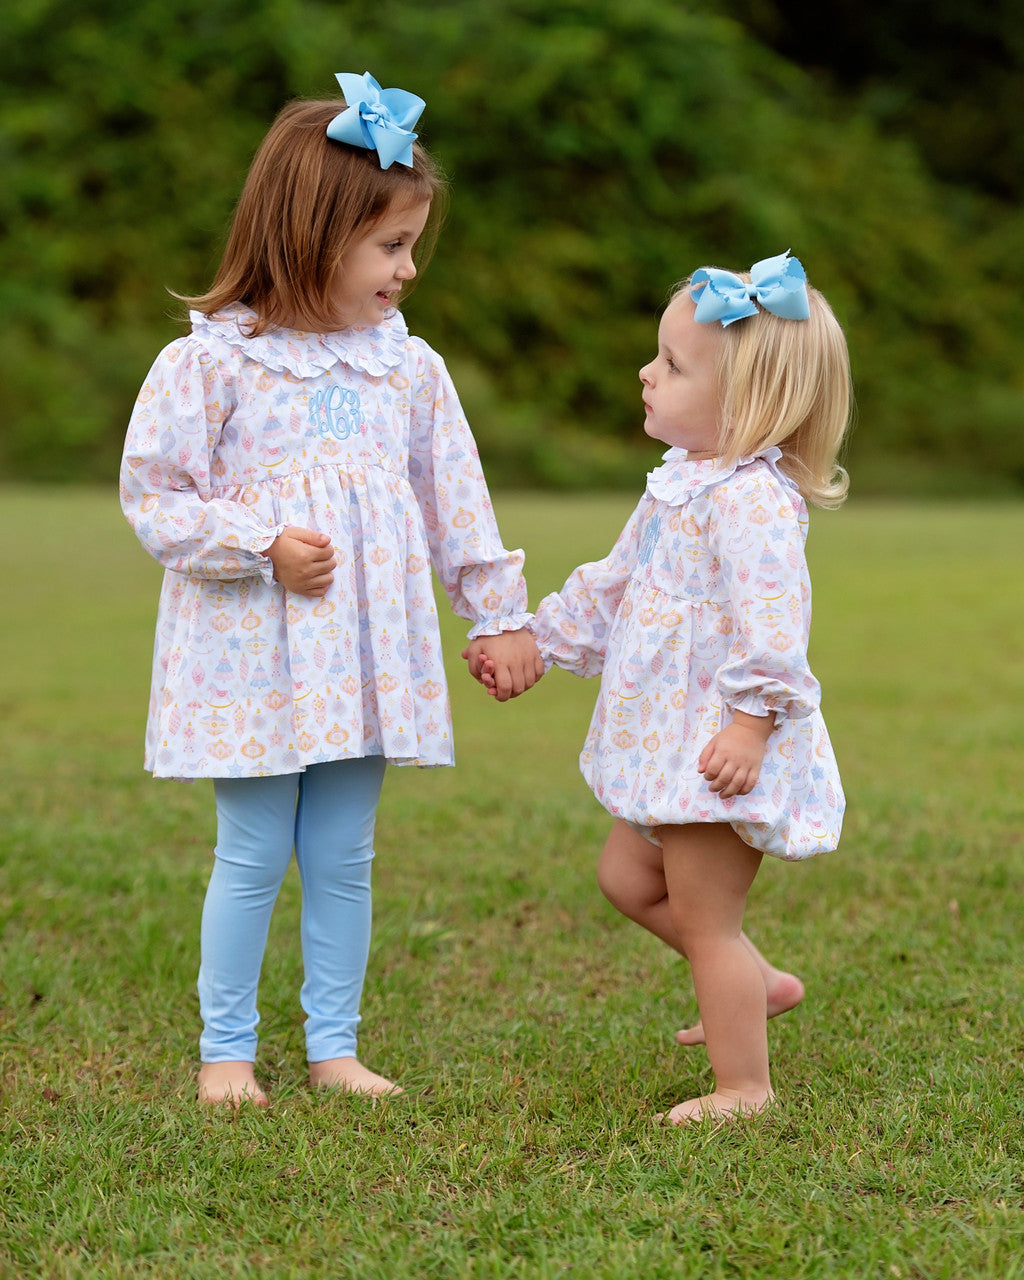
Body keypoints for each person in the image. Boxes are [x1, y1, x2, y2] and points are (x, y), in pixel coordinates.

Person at [120, 73, 543, 1107]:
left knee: (344, 850)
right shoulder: (214, 363)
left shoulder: (408, 370)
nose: (407, 270)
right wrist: (263, 541)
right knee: (255, 847)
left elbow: (458, 502)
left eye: (410, 247)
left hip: (361, 656)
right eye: (390, 246)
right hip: (254, 657)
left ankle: (334, 1045)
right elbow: (156, 499)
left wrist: (498, 613)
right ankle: (226, 1050)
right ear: (311, 234)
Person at [471, 252, 850, 1123]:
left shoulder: (752, 504)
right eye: (657, 355)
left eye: (673, 366)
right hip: (665, 737)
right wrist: (540, 640)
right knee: (625, 877)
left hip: (717, 746)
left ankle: (743, 1088)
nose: (648, 373)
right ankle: (761, 985)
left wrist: (751, 725)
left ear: (749, 407)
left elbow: (774, 628)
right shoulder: (682, 479)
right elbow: (616, 584)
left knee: (705, 917)